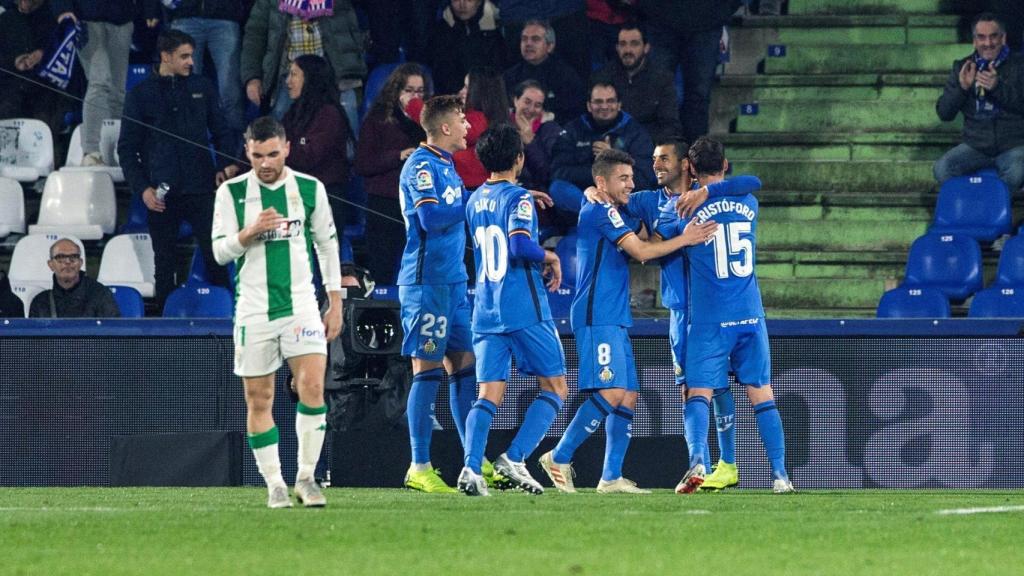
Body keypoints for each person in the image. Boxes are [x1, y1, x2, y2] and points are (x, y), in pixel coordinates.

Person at [537, 149, 716, 494]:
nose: (630, 185)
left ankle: (610, 477)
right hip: (596, 313)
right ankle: (558, 456)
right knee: (612, 390)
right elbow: (643, 252)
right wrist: (686, 238)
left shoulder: (613, 210)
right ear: (601, 182)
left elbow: (648, 238)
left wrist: (665, 231)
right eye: (623, 178)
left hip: (614, 314)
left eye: (632, 178)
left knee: (629, 394)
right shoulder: (600, 210)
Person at [211, 116, 343, 508]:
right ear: (247, 151)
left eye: (272, 154)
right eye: (257, 155)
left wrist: (335, 301)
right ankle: (274, 484)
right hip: (253, 309)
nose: (265, 163)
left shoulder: (308, 188)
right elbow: (220, 252)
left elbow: (327, 245)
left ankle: (306, 477)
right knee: (259, 398)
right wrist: (248, 233)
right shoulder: (232, 193)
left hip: (301, 306)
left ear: (286, 148)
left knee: (313, 387)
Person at [667, 137, 794, 495]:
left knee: (697, 393)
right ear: (724, 166)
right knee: (762, 393)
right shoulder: (748, 201)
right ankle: (781, 475)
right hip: (750, 315)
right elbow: (752, 181)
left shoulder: (683, 209)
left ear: (690, 168)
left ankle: (696, 463)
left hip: (709, 318)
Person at [457, 124, 567, 496]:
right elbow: (520, 246)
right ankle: (514, 458)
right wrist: (549, 254)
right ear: (519, 158)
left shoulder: (474, 200)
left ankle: (472, 468)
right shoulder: (518, 199)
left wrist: (518, 196)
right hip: (523, 307)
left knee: (488, 393)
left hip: (485, 309)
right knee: (555, 386)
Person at [649, 139, 761, 491]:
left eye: (664, 159)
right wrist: (594, 189)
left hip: (712, 312)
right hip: (684, 312)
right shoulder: (658, 203)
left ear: (688, 166)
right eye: (655, 160)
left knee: (717, 385)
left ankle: (723, 464)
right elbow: (648, 246)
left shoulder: (711, 197)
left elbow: (752, 182)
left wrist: (705, 194)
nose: (656, 166)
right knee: (694, 389)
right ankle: (700, 461)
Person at [118, 29, 234, 311]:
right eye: (184, 56)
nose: (190, 62)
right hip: (161, 195)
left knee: (216, 256)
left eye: (191, 55)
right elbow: (126, 148)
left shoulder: (202, 87)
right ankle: (164, 329)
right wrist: (142, 188)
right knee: (164, 265)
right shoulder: (140, 94)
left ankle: (230, 319)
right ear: (165, 56)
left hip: (202, 188)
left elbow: (222, 130)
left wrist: (226, 164)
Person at [397, 95, 477, 493]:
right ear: (445, 127)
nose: (468, 127)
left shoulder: (448, 166)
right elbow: (430, 218)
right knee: (427, 371)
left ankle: (472, 464)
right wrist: (474, 202)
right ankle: (419, 465)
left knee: (465, 367)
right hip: (425, 284)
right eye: (462, 121)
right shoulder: (421, 166)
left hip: (454, 283)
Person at [52, 0, 160, 166]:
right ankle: (91, 151)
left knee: (118, 90)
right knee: (100, 82)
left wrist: (150, 9)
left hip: (122, 19)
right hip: (86, 20)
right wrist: (63, 9)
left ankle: (119, 150)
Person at [354, 63, 429, 285]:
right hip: (383, 203)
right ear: (396, 91)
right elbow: (362, 164)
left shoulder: (426, 123)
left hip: (418, 205)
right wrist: (397, 156)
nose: (414, 96)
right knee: (383, 268)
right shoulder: (377, 120)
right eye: (409, 90)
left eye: (420, 91)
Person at [934, 12, 1024, 192]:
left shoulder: (1019, 65)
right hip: (976, 146)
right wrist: (961, 89)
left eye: (993, 36)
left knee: (1016, 172)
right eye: (981, 37)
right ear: (974, 41)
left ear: (1003, 38)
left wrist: (998, 88)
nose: (988, 43)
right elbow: (945, 114)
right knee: (942, 169)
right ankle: (974, 206)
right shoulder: (962, 67)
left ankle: (990, 208)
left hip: (1013, 145)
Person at [241, 0, 366, 129]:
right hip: (289, 75)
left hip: (334, 72)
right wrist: (252, 78)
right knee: (279, 120)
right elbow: (255, 34)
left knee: (346, 120)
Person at [637, 0, 740, 143]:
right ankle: (655, 155)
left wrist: (722, 10)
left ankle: (695, 158)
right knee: (656, 93)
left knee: (698, 97)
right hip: (660, 19)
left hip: (707, 21)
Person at [549, 81, 656, 213]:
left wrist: (613, 160)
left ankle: (607, 217)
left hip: (623, 203)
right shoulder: (573, 129)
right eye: (598, 102)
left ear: (619, 104)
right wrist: (595, 176)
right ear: (589, 105)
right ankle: (601, 214)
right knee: (557, 187)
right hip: (583, 199)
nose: (604, 106)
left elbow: (645, 178)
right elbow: (557, 172)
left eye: (610, 101)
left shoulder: (636, 132)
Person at [282, 54, 354, 229]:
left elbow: (308, 157)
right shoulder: (294, 112)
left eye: (294, 75)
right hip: (298, 198)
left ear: (310, 78)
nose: (287, 81)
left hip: (325, 201)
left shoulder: (329, 114)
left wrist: (280, 151)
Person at [163, 0, 247, 141]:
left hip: (225, 15)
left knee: (230, 89)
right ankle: (184, 145)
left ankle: (236, 152)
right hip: (185, 15)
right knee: (183, 87)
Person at [592, 24, 682, 143]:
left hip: (650, 147)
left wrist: (638, 144)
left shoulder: (662, 79)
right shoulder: (602, 77)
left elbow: (670, 125)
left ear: (646, 48)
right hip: (611, 146)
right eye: (623, 44)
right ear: (617, 48)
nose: (628, 50)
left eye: (634, 44)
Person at [0, 0, 67, 155]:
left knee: (47, 111)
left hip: (47, 87)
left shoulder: (53, 19)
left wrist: (43, 55)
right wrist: (14, 62)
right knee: (7, 107)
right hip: (11, 88)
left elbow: (65, 57)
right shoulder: (5, 21)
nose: (23, 3)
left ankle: (46, 165)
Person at [502, 19, 586, 124]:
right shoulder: (510, 76)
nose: (528, 44)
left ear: (550, 46)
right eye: (524, 39)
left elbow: (575, 111)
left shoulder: (565, 75)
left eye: (535, 39)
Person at [427, 0, 508, 96]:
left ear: (479, 2)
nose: (462, 4)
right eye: (456, 0)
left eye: (469, 0)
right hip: (449, 98)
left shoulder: (496, 31)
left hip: (487, 97)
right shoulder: (440, 31)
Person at [29, 238, 120, 318]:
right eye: (60, 257)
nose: (68, 262)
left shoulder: (100, 295)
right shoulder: (40, 302)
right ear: (50, 264)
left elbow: (113, 333)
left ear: (80, 263)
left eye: (73, 257)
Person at [455, 67, 510, 190]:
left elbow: (439, 124)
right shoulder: (496, 119)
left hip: (471, 192)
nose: (461, 92)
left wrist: (413, 105)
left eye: (467, 87)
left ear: (481, 92)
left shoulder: (478, 120)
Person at [510, 79, 561, 192]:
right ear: (515, 100)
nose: (531, 109)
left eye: (538, 105)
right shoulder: (502, 126)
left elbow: (547, 174)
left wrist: (530, 142)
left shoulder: (551, 130)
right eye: (527, 102)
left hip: (538, 192)